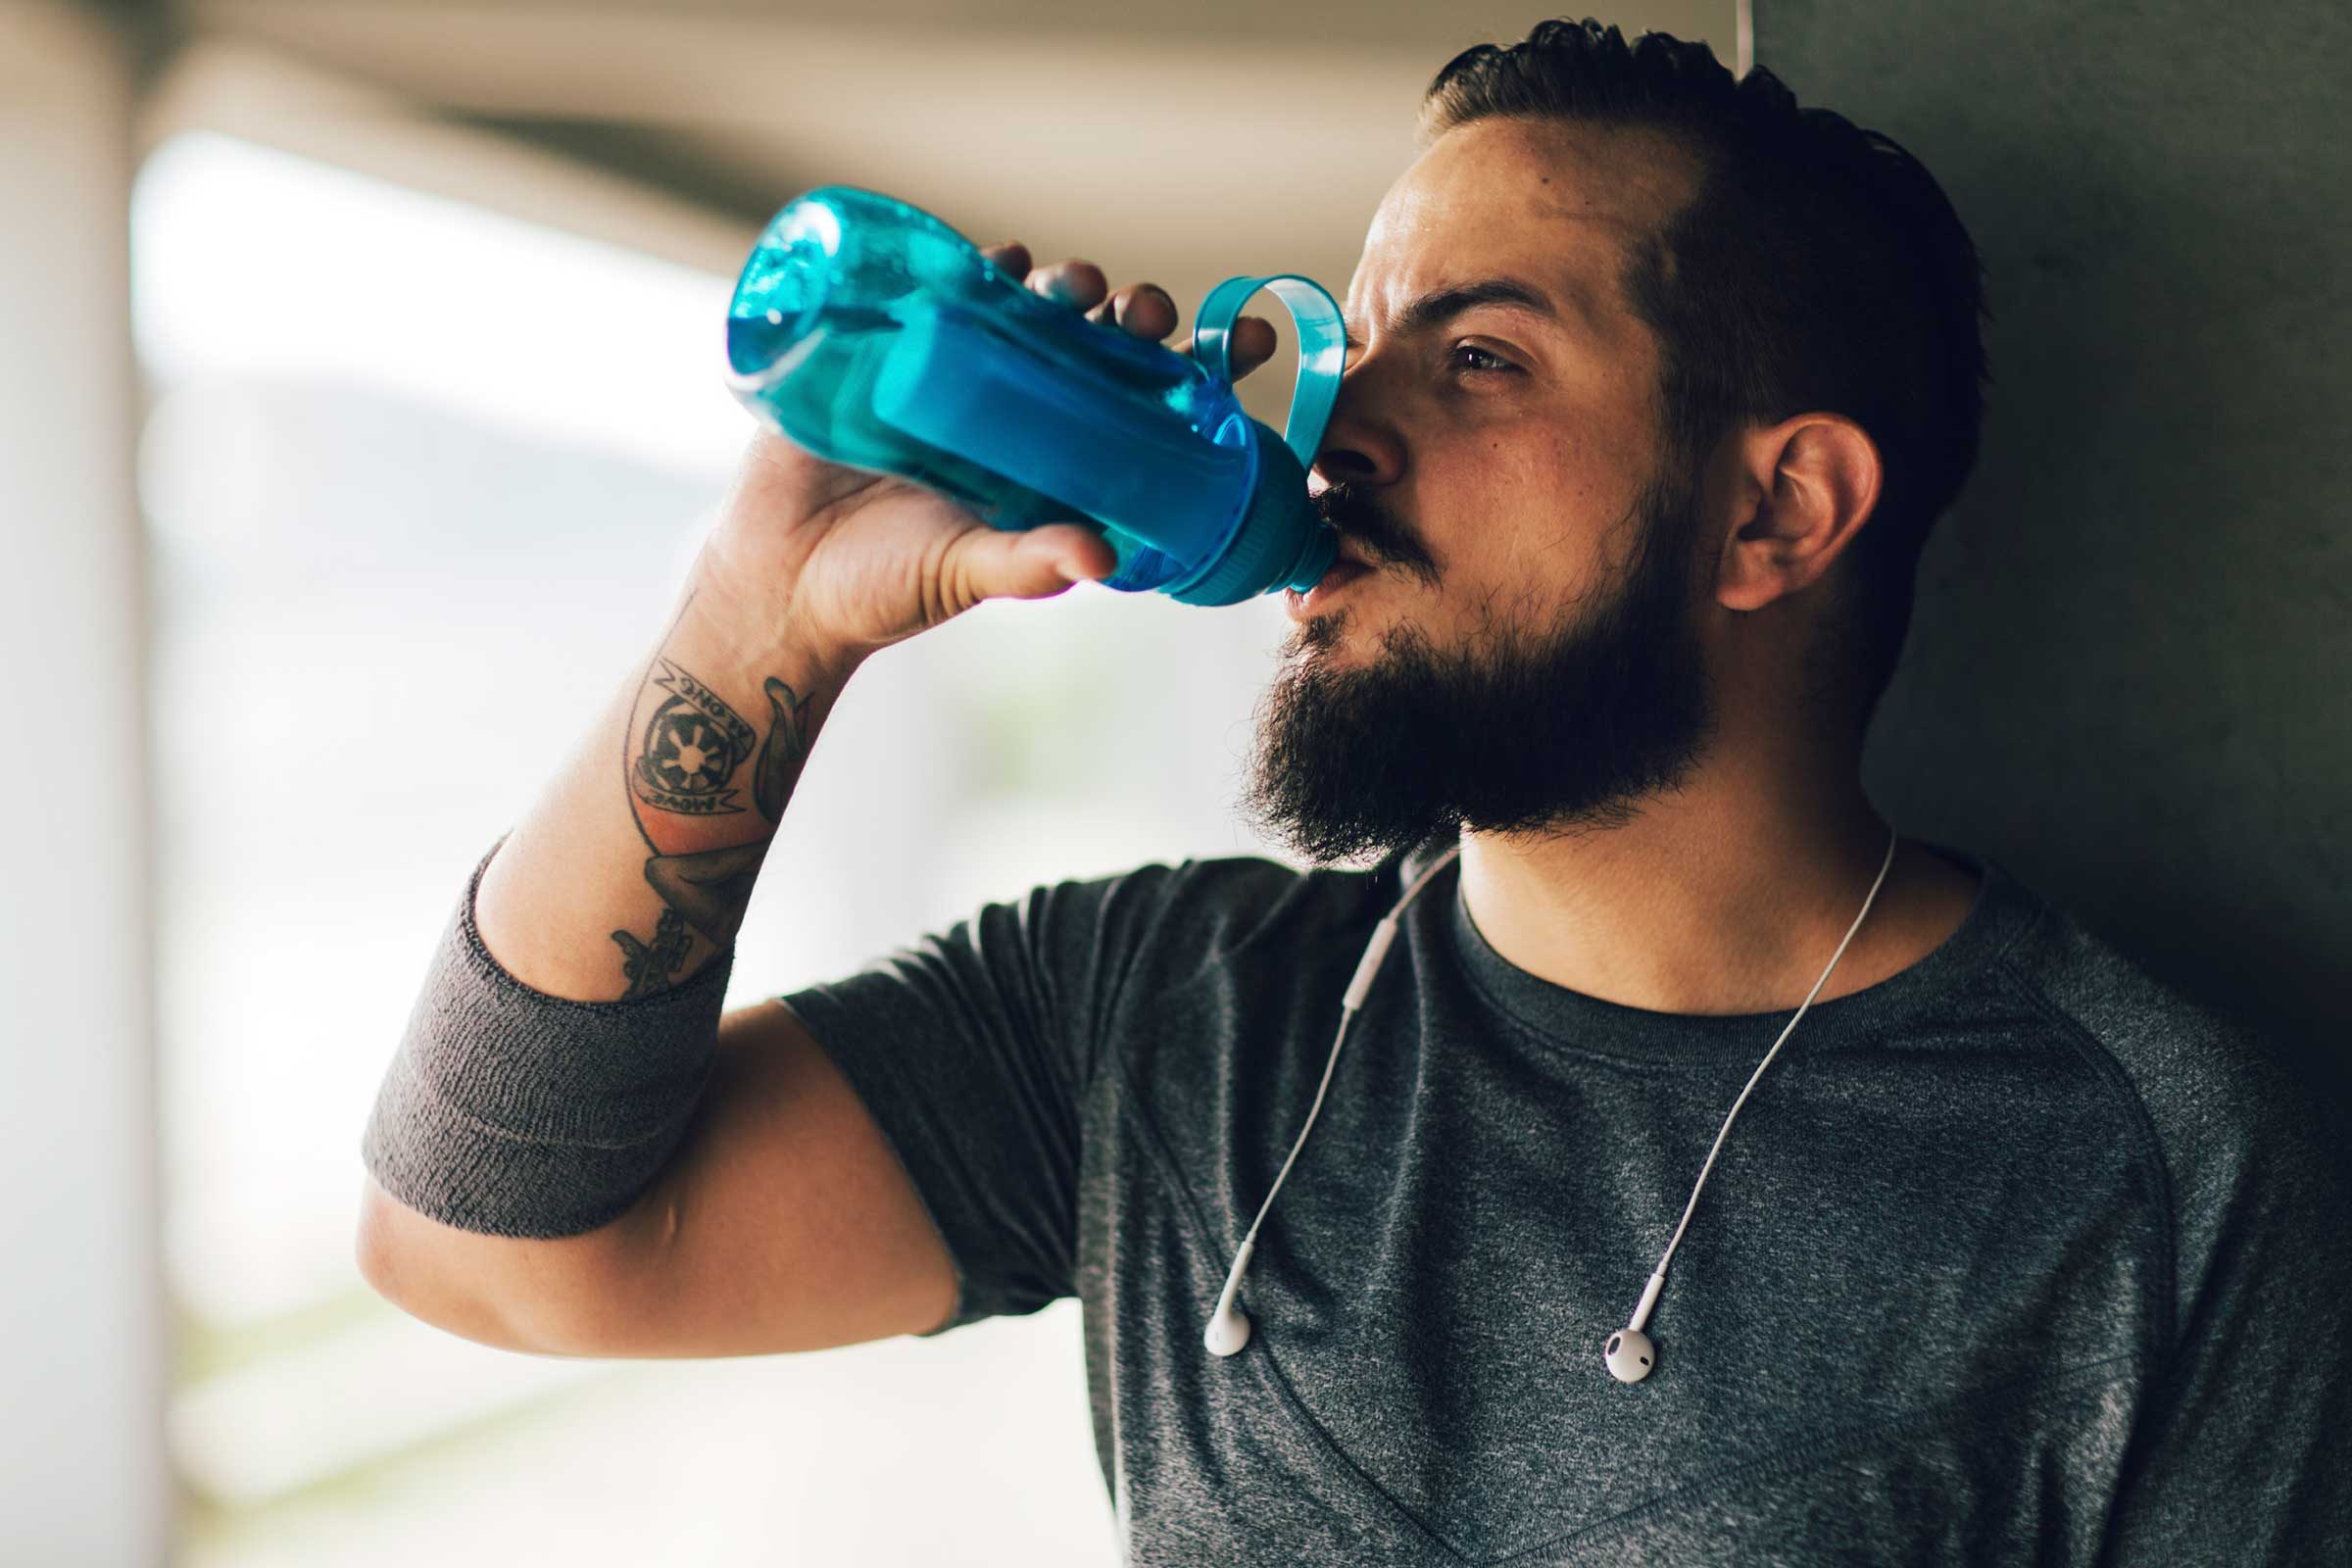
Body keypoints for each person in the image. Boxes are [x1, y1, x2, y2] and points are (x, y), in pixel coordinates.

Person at [357, 18, 2350, 1564]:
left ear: (1776, 510)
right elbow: (483, 1247)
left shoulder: (2151, 1167)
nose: (1333, 434)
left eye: (1478, 359)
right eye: (1353, 344)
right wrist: (763, 613)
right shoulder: (1163, 1014)